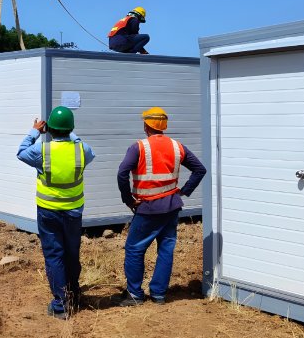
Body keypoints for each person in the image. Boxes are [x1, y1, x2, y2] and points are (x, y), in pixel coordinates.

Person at [116, 107, 206, 305]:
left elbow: (122, 173)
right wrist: (184, 190)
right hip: (172, 206)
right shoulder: (177, 147)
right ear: (163, 125)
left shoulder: (139, 147)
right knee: (165, 249)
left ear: (146, 125)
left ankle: (135, 294)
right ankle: (158, 294)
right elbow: (200, 169)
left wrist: (128, 200)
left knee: (134, 248)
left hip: (148, 208)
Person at [17, 106, 96, 319]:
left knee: (54, 255)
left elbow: (21, 152)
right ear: (71, 129)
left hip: (49, 212)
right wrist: (69, 132)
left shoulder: (42, 150)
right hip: (73, 212)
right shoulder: (82, 150)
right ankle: (74, 293)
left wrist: (35, 131)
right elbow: (83, 147)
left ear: (49, 128)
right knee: (71, 253)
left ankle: (61, 305)